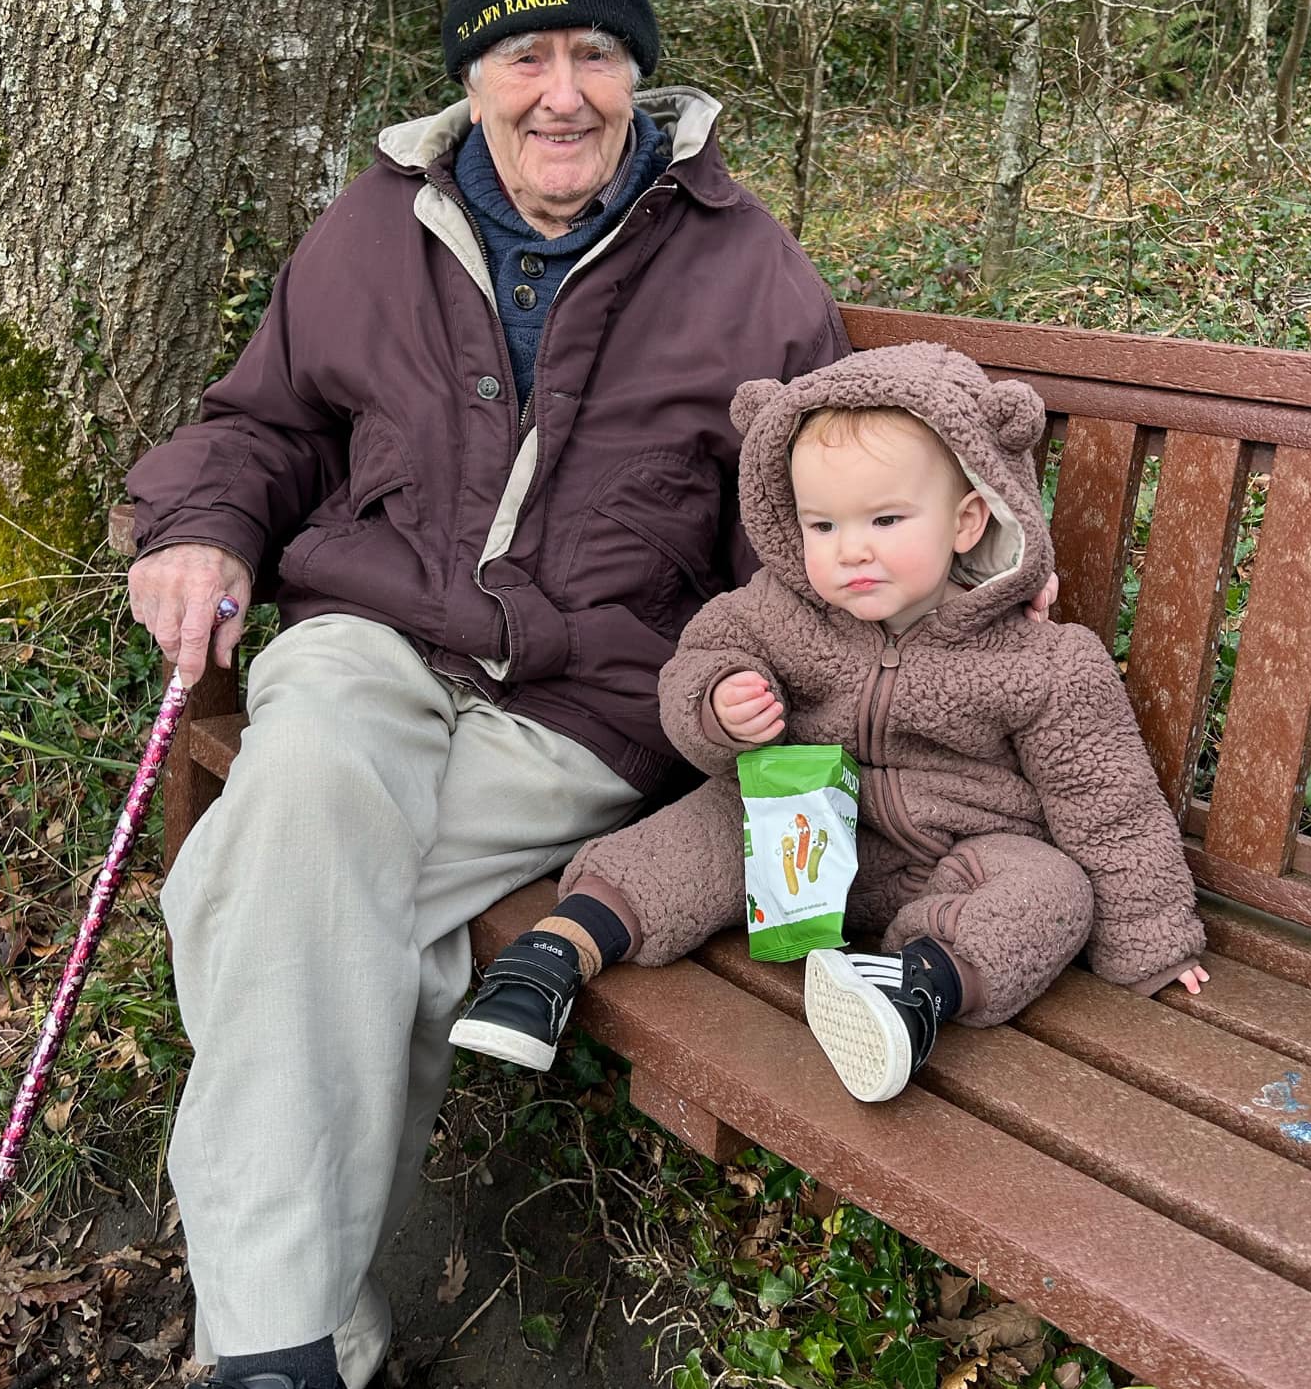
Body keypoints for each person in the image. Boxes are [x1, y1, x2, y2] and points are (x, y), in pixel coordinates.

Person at [120, 0, 855, 1389]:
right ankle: (283, 1379)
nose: (561, 93)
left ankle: (281, 1374)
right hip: (365, 646)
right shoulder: (371, 230)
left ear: (642, 70)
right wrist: (200, 530)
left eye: (595, 51)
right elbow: (260, 426)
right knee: (307, 794)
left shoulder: (749, 271)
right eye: (524, 55)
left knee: (269, 890)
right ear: (470, 75)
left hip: (577, 713)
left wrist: (902, 652)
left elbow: (810, 546)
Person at [452, 343, 1208, 1103]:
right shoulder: (780, 612)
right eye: (822, 525)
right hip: (800, 842)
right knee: (707, 824)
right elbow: (699, 662)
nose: (851, 550)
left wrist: (1154, 942)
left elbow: (1108, 804)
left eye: (886, 518)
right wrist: (719, 704)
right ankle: (555, 954)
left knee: (1052, 889)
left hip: (961, 863)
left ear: (968, 520)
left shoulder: (1042, 661)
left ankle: (910, 992)